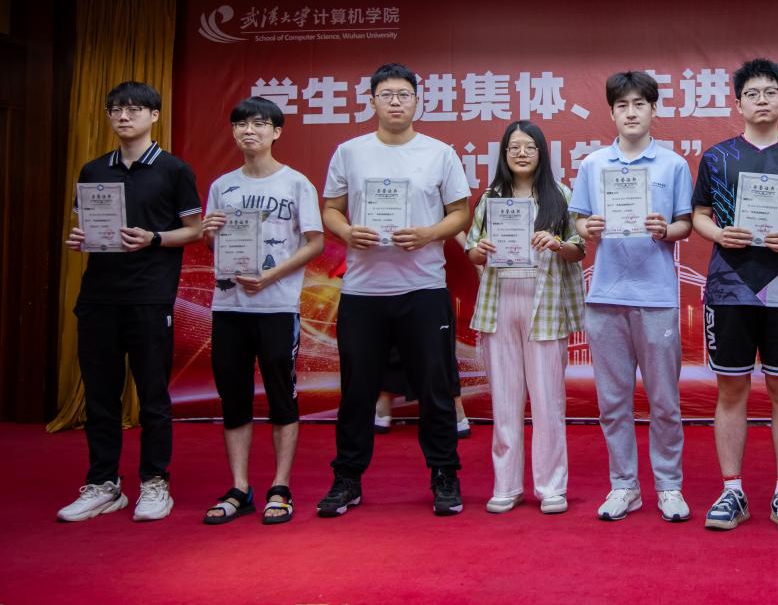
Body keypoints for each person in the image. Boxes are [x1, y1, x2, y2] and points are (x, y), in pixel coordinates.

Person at [318, 63, 471, 517]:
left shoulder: (439, 153)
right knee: (356, 391)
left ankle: (444, 474)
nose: (396, 102)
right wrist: (346, 231)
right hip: (363, 291)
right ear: (372, 101)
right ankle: (347, 479)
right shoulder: (350, 152)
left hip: (422, 288)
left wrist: (428, 234)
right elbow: (331, 209)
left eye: (404, 94)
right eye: (386, 95)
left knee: (436, 390)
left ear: (418, 101)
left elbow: (460, 213)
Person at [691, 58, 778, 534]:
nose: (762, 100)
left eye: (771, 92)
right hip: (729, 287)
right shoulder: (717, 157)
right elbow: (699, 214)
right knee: (731, 391)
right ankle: (732, 491)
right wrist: (718, 234)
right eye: (753, 94)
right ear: (739, 104)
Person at [57, 81, 203, 523]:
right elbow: (84, 224)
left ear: (154, 116)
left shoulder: (174, 170)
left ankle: (155, 482)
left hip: (149, 297)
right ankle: (104, 484)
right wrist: (80, 238)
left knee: (153, 395)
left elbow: (195, 231)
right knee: (100, 395)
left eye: (134, 109)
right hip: (98, 297)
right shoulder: (93, 169)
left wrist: (153, 238)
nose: (124, 116)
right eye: (116, 109)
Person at [572, 71, 695, 522]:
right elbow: (579, 221)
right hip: (605, 296)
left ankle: (669, 485)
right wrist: (588, 227)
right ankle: (624, 485)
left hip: (657, 296)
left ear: (653, 109)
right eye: (622, 105)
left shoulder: (673, 165)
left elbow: (685, 223)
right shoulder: (593, 165)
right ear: (611, 112)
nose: (630, 112)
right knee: (612, 402)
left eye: (639, 104)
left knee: (664, 401)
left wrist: (667, 229)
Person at [200, 96, 324, 525]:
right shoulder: (222, 186)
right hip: (229, 305)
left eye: (258, 124)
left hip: (277, 305)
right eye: (240, 124)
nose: (248, 131)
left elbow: (315, 242)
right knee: (233, 397)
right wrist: (209, 234)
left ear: (276, 131)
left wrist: (271, 277)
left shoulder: (296, 184)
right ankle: (239, 487)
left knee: (281, 396)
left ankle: (280, 486)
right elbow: (216, 246)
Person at [467, 121, 585, 514]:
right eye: (514, 147)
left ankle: (551, 486)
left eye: (529, 147)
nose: (521, 153)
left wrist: (557, 243)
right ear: (503, 155)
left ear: (541, 153)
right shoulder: (491, 198)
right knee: (504, 400)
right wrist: (482, 249)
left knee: (548, 401)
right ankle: (507, 485)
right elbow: (472, 250)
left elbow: (579, 248)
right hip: (500, 303)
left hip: (545, 304)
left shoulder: (560, 195)